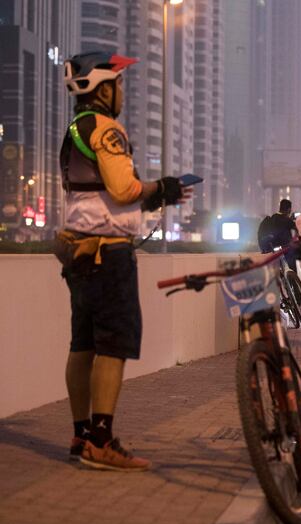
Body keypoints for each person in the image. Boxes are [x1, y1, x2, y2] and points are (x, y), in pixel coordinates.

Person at [59, 52, 192, 471]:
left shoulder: (74, 129)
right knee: (112, 346)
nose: (122, 91)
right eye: (117, 83)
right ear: (102, 88)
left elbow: (98, 191)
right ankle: (102, 440)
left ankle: (81, 436)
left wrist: (154, 195)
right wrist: (162, 187)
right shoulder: (106, 128)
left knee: (82, 346)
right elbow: (122, 188)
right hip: (107, 255)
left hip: (77, 250)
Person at [258, 199, 299, 270]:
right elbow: (297, 229)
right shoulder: (287, 220)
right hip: (285, 249)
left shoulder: (272, 217)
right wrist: (295, 240)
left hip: (273, 248)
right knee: (292, 268)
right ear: (289, 209)